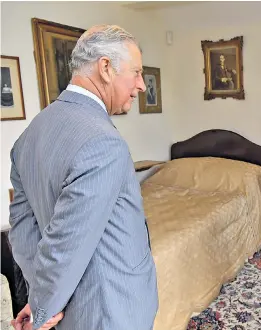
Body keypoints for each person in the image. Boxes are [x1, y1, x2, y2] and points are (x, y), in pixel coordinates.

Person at [8, 24, 158, 330]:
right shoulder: (103, 142)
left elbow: (22, 230)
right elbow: (66, 242)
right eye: (136, 72)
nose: (142, 85)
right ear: (105, 68)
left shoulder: (29, 136)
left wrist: (41, 301)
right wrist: (43, 308)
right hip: (110, 311)